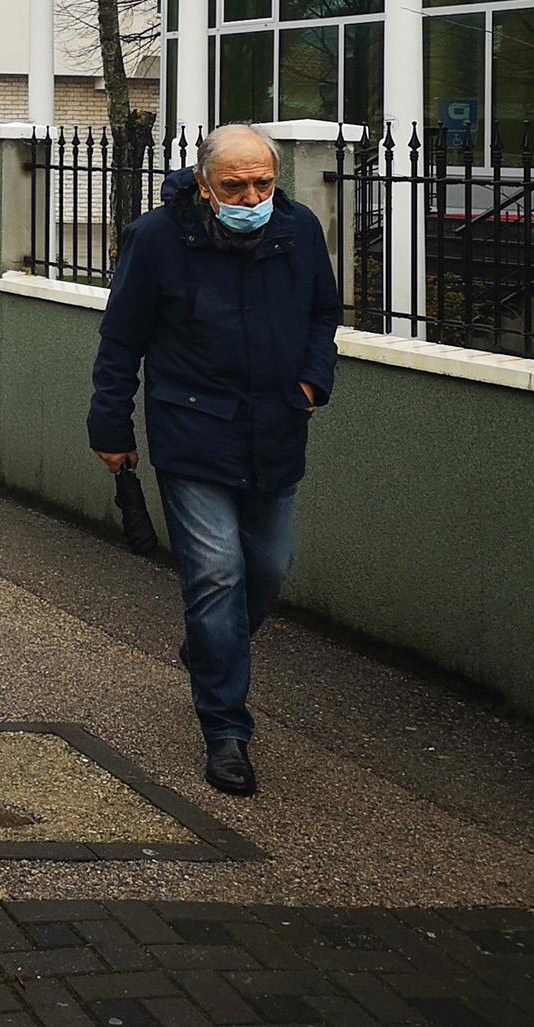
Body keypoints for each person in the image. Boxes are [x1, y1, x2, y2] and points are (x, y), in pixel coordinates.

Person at [89, 123, 340, 798]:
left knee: (268, 566)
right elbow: (122, 340)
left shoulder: (299, 230)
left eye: (263, 182)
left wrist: (313, 381)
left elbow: (324, 312)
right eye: (235, 185)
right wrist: (110, 424)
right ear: (204, 184)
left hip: (277, 431)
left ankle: (208, 648)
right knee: (218, 575)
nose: (252, 195)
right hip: (192, 432)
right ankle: (227, 729)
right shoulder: (158, 239)